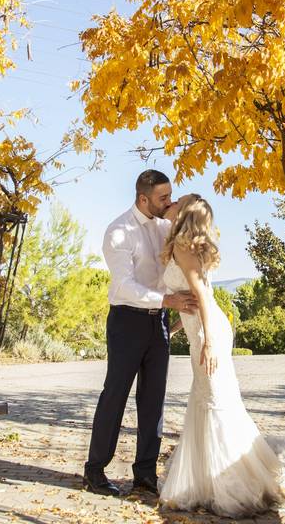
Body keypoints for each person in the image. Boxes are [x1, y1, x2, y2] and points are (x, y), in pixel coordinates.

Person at [158, 194, 285, 517]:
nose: (172, 201)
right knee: (210, 401)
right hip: (206, 327)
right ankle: (211, 481)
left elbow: (202, 296)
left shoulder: (182, 247)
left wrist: (208, 343)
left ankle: (231, 485)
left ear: (184, 212)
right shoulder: (186, 245)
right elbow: (193, 301)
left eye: (180, 200)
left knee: (215, 403)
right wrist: (175, 329)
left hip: (209, 333)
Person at [83, 170, 198, 497]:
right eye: (163, 198)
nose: (169, 202)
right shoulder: (119, 231)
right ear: (143, 198)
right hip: (127, 322)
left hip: (158, 322)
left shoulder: (165, 227)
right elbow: (124, 285)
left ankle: (145, 474)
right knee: (114, 395)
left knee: (153, 400)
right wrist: (168, 299)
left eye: (170, 195)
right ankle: (94, 471)